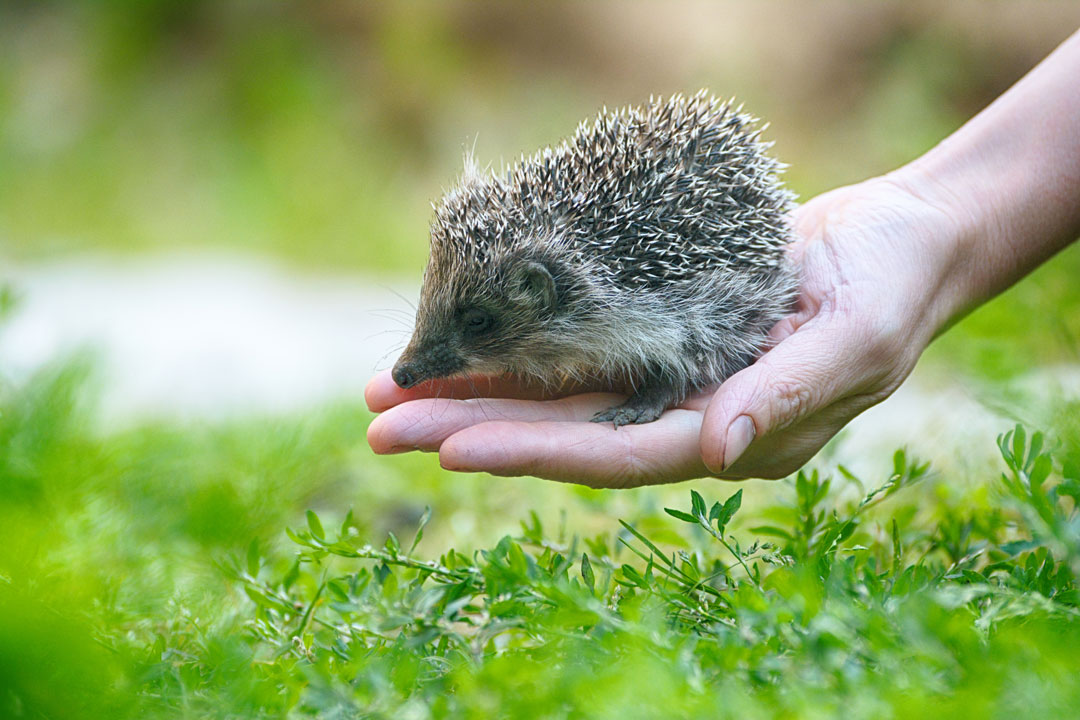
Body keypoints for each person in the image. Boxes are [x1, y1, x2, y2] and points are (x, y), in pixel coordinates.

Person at [365, 28, 1080, 489]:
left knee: (683, 353)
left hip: (686, 303)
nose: (418, 364)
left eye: (479, 327)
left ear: (543, 293)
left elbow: (678, 351)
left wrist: (652, 396)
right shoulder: (532, 276)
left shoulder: (625, 304)